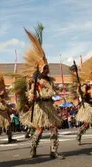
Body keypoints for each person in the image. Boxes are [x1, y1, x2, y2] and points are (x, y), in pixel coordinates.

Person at [19, 29, 64, 159]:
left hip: (49, 107)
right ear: (40, 69)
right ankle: (33, 148)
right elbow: (30, 94)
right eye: (44, 68)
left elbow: (52, 92)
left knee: (54, 127)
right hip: (40, 108)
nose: (47, 69)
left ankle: (53, 151)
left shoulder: (49, 80)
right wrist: (33, 95)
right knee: (39, 129)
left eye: (47, 67)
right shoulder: (36, 81)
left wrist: (55, 91)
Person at [0, 75, 17, 143]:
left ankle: (10, 138)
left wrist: (11, 110)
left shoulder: (5, 97)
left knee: (8, 126)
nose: (3, 90)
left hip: (5, 114)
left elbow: (7, 105)